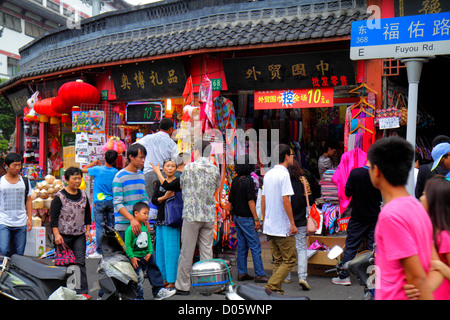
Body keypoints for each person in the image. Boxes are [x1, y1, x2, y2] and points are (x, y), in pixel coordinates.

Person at [367, 136, 442, 300]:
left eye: (369, 167)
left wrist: (422, 289)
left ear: (377, 170)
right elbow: (436, 268)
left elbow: (417, 278)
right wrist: (424, 288)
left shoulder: (391, 215)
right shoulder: (416, 207)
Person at [174, 140, 221, 295]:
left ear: (197, 151)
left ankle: (183, 286)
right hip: (208, 214)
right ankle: (207, 286)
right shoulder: (214, 169)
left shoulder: (188, 168)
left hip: (191, 214)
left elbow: (182, 186)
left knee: (187, 251)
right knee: (207, 251)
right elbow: (216, 188)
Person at [331, 161, 382, 286]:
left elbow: (347, 193)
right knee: (373, 248)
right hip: (374, 216)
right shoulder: (379, 175)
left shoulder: (356, 173)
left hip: (358, 216)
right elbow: (381, 197)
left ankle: (344, 276)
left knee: (351, 246)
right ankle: (373, 279)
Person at [405, 176, 450, 300]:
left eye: (424, 194)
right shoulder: (428, 230)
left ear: (434, 201)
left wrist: (439, 266)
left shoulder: (443, 237)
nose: (420, 197)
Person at [261, 144, 297, 294]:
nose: (293, 157)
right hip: (281, 226)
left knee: (279, 260)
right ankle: (272, 286)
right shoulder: (284, 174)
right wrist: (292, 223)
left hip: (270, 225)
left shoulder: (268, 174)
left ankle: (275, 291)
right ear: (286, 157)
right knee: (290, 259)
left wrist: (264, 219)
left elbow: (263, 199)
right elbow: (286, 200)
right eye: (292, 154)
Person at [50, 166, 92, 296]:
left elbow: (87, 215)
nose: (77, 181)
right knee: (65, 264)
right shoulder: (59, 197)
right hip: (63, 235)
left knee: (80, 262)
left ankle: (81, 292)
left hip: (79, 234)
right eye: (74, 178)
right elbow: (54, 217)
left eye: (79, 178)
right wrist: (56, 234)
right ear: (67, 180)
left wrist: (88, 230)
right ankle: (65, 292)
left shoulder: (84, 195)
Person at [228, 155, 269, 284]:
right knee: (255, 245)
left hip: (237, 216)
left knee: (242, 246)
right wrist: (256, 219)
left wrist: (231, 214)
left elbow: (231, 201)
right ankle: (259, 274)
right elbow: (251, 201)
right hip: (246, 217)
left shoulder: (235, 180)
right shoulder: (248, 181)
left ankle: (242, 272)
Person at [125, 201, 176, 300]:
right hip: (136, 258)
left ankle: (158, 291)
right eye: (145, 213)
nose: (147, 216)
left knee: (154, 271)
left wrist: (149, 252)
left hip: (146, 256)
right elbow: (127, 245)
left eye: (148, 213)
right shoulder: (130, 230)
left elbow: (148, 241)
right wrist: (132, 257)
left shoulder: (145, 227)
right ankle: (138, 297)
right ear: (136, 213)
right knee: (138, 278)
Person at [151, 159, 182, 289]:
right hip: (161, 218)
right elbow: (154, 200)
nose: (170, 168)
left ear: (175, 169)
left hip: (173, 220)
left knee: (172, 251)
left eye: (172, 166)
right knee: (161, 251)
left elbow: (168, 186)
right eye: (167, 166)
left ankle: (172, 279)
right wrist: (164, 197)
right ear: (164, 168)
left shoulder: (178, 181)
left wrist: (157, 172)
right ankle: (162, 278)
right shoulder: (158, 183)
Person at [82, 150, 118, 258]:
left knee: (99, 227)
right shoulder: (116, 172)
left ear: (104, 158)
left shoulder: (97, 169)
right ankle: (112, 250)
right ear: (115, 160)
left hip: (99, 201)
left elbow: (82, 170)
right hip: (112, 201)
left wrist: (93, 163)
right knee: (112, 226)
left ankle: (99, 251)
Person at [286, 158, 314, 290]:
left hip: (286, 220)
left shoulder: (284, 181)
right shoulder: (303, 181)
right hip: (301, 219)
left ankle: (286, 276)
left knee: (286, 248)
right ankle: (302, 276)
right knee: (301, 248)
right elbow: (310, 198)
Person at [136, 117, 178, 202]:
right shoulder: (172, 143)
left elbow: (135, 147)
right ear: (171, 129)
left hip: (148, 173)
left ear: (159, 127)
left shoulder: (147, 138)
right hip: (164, 176)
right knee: (163, 202)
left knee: (150, 202)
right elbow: (176, 161)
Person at [112, 143, 149, 240]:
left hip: (140, 224)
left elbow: (144, 197)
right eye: (140, 157)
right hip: (124, 225)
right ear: (131, 157)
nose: (143, 160)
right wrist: (132, 219)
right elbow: (117, 202)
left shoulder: (141, 175)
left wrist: (144, 218)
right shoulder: (119, 176)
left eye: (144, 157)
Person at [0, 153, 32, 257]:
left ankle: (15, 272)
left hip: (21, 221)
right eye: (14, 165)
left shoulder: (25, 181)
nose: (17, 168)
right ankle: (4, 271)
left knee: (19, 253)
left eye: (19, 165)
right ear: (7, 166)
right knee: (4, 250)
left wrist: (30, 218)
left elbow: (28, 200)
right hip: (3, 221)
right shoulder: (1, 182)